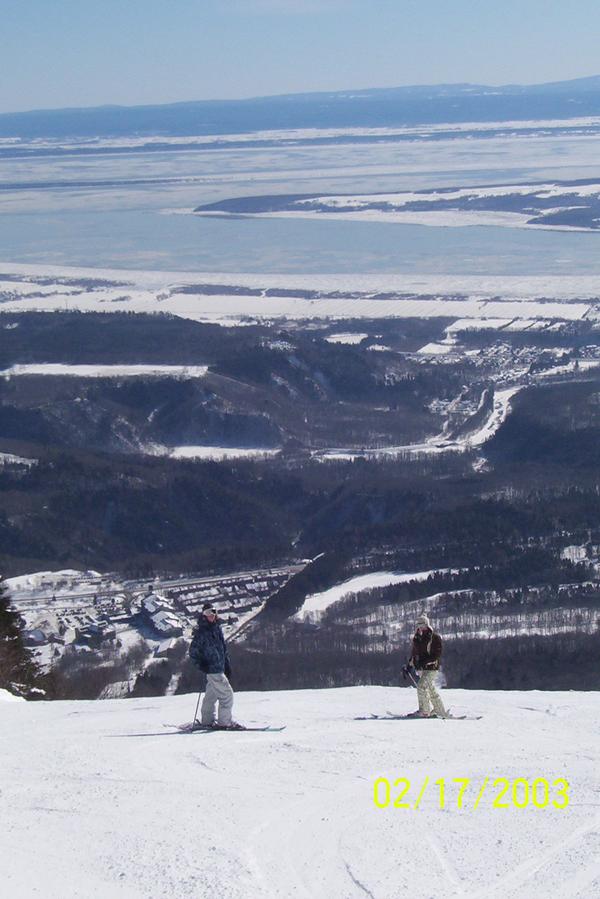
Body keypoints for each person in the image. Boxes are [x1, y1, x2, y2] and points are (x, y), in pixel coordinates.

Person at [189, 602, 239, 729]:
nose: (211, 615)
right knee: (227, 695)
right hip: (213, 669)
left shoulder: (216, 629)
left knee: (211, 695)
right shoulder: (202, 632)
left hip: (219, 668)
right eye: (207, 613)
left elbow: (223, 648)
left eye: (213, 612)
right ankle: (224, 722)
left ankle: (207, 720)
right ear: (203, 616)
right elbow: (193, 652)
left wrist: (227, 665)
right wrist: (202, 665)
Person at [406, 613, 447, 718]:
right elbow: (414, 653)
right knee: (430, 688)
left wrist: (425, 661)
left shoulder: (434, 637)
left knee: (422, 686)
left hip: (432, 668)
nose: (421, 628)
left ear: (427, 625)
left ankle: (424, 711)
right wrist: (409, 665)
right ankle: (439, 710)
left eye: (423, 625)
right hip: (422, 669)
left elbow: (436, 655)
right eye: (419, 625)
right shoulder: (417, 638)